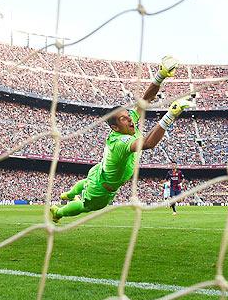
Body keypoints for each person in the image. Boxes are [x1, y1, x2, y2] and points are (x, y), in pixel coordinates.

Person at [50, 56, 190, 223]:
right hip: (101, 189)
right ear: (115, 127)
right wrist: (170, 115)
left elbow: (144, 102)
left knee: (86, 182)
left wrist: (160, 75)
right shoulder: (120, 143)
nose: (130, 119)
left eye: (127, 115)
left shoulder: (127, 126)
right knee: (84, 207)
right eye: (124, 118)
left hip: (99, 172)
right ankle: (58, 212)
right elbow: (148, 143)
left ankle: (70, 193)